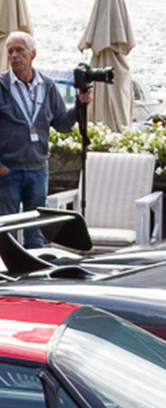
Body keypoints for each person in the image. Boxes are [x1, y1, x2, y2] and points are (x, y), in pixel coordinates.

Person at [0, 32, 86, 247]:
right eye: (10, 51)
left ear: (33, 54)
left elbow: (62, 125)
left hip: (38, 169)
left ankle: (34, 277)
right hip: (8, 170)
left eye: (20, 50)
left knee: (35, 230)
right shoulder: (1, 86)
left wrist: (80, 105)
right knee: (5, 229)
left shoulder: (47, 86)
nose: (14, 55)